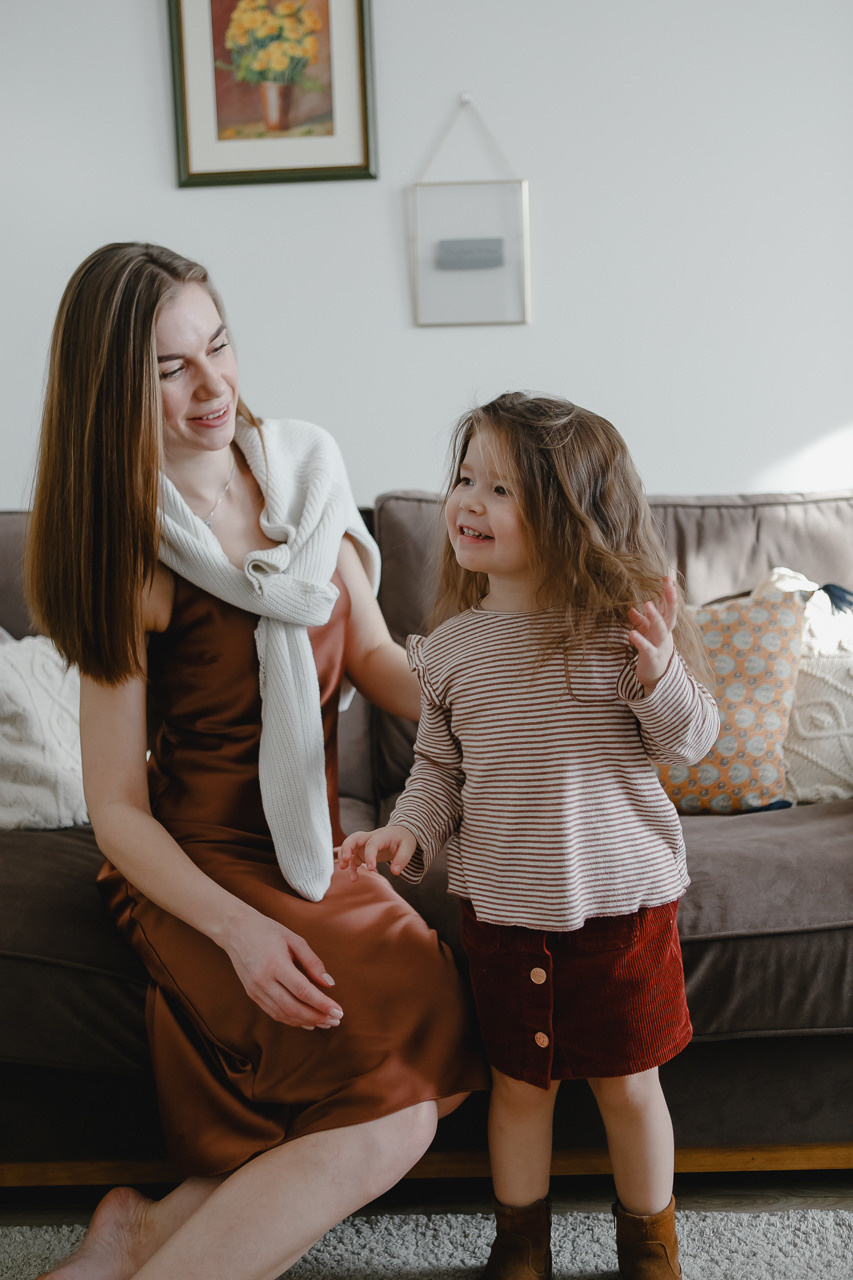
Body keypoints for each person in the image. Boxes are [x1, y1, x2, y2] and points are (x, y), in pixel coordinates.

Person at [24, 241, 487, 1280]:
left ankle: (147, 1232)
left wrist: (498, 713)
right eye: (169, 368)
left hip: (312, 851)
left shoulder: (305, 472)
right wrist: (237, 933)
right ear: (113, 387)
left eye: (218, 345)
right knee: (401, 1104)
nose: (211, 384)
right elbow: (117, 809)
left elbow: (369, 652)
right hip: (200, 865)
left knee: (443, 1047)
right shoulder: (131, 546)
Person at [339, 392, 721, 1280]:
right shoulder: (449, 650)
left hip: (622, 912)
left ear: (571, 514)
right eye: (464, 479)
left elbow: (691, 743)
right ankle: (519, 1246)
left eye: (501, 489)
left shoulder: (619, 634)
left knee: (629, 1088)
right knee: (519, 1089)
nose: (468, 502)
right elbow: (439, 772)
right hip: (506, 915)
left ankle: (649, 1246)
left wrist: (659, 669)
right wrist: (405, 833)